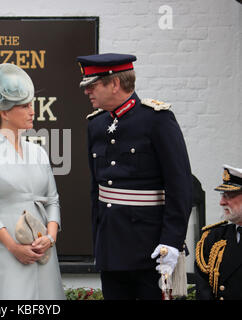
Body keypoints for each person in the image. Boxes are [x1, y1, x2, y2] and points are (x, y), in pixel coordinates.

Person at [77, 53, 192, 299]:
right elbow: (96, 189)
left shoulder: (156, 120)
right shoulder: (95, 124)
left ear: (115, 83)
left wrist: (171, 242)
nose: (87, 92)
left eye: (92, 85)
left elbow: (179, 186)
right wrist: (98, 240)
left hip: (150, 248)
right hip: (110, 246)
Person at [0, 63, 65, 299]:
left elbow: (52, 201)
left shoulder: (38, 152)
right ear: (5, 112)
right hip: (2, 251)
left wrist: (50, 238)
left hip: (42, 252)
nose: (32, 111)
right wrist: (14, 248)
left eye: (32, 105)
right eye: (24, 106)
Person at [195, 165, 242, 300]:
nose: (222, 202)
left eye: (229, 196)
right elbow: (203, 291)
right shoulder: (213, 238)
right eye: (222, 195)